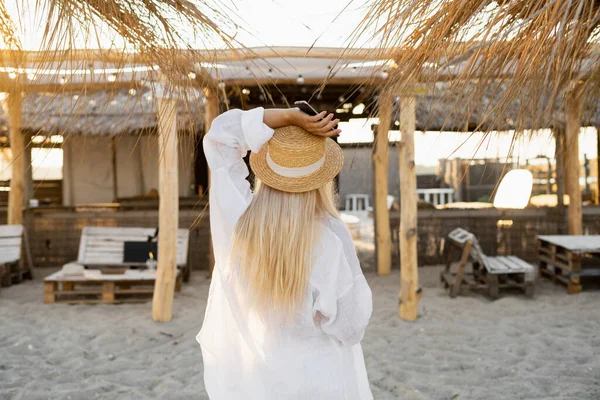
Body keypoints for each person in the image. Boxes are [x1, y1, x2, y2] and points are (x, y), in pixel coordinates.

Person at [197, 107, 373, 399]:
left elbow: (220, 139)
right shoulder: (329, 237)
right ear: (321, 178)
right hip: (321, 382)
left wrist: (289, 116)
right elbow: (351, 327)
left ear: (266, 172)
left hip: (259, 382)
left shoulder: (241, 223)